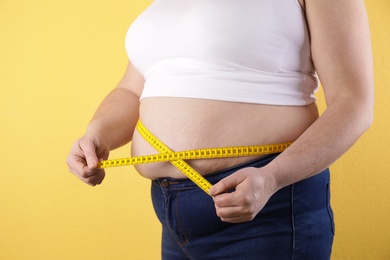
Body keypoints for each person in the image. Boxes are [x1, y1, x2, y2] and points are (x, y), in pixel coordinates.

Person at [66, 0, 373, 259]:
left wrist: (272, 178)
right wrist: (97, 133)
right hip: (171, 211)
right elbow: (133, 90)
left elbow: (353, 103)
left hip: (266, 207)